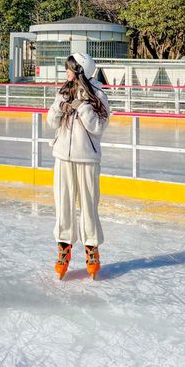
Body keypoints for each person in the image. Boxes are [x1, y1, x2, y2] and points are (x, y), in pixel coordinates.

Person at [46, 53, 109, 280]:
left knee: (89, 206)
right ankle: (64, 249)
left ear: (80, 70)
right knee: (63, 204)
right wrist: (60, 108)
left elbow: (98, 127)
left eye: (70, 68)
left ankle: (92, 250)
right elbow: (51, 121)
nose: (66, 72)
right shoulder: (63, 91)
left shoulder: (98, 96)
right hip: (63, 156)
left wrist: (82, 107)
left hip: (87, 159)